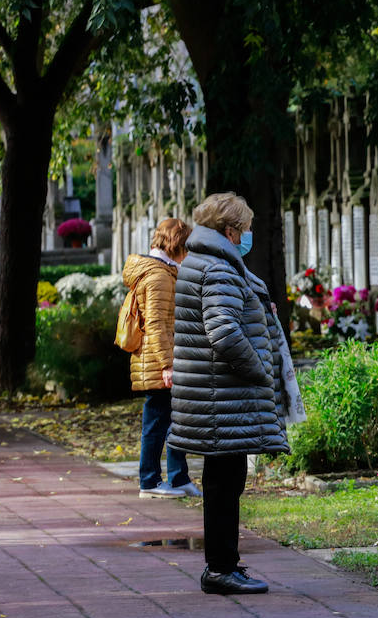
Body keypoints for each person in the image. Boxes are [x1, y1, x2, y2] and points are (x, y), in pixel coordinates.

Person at [168, 192, 289, 595]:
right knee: (225, 482)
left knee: (223, 481)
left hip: (214, 397)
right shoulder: (218, 269)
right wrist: (260, 371)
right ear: (230, 231)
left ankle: (224, 563)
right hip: (223, 397)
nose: (250, 235)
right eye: (247, 228)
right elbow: (223, 332)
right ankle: (221, 568)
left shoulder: (201, 262)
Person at [122, 218, 198, 499]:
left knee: (176, 421)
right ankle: (150, 481)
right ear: (176, 244)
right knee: (156, 423)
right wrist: (167, 364)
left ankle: (178, 478)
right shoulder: (158, 276)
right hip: (158, 364)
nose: (189, 252)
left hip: (163, 360)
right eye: (186, 246)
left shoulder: (164, 272)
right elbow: (155, 323)